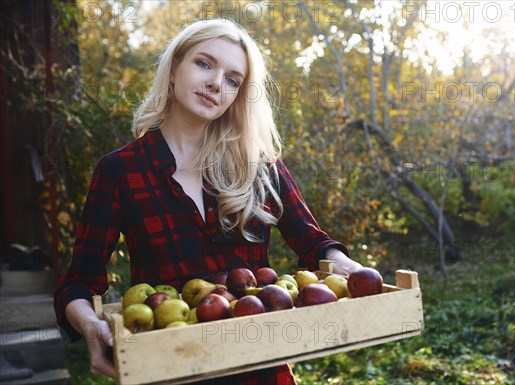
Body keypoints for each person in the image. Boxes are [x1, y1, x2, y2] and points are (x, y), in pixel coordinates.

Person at [53, 18, 362, 385]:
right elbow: (79, 282)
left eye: (233, 79)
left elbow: (315, 244)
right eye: (204, 63)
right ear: (173, 69)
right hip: (169, 368)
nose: (217, 83)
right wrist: (91, 327)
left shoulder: (258, 165)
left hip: (258, 366)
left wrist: (344, 264)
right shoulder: (120, 171)